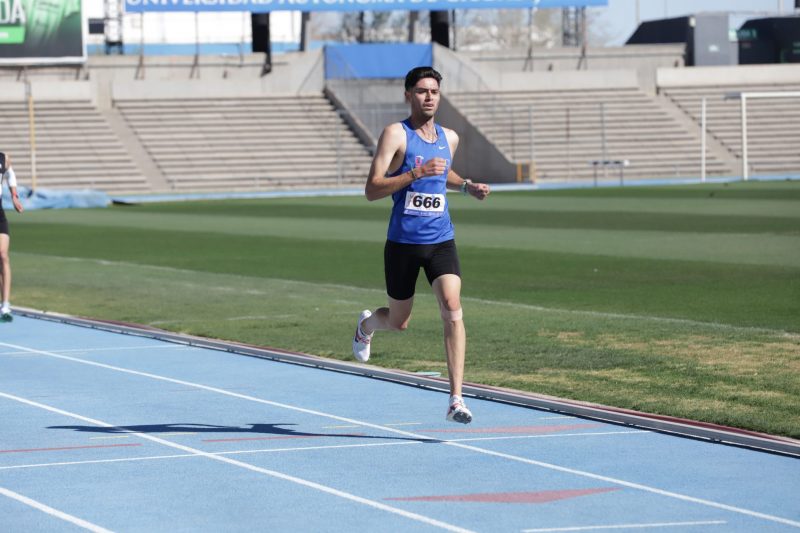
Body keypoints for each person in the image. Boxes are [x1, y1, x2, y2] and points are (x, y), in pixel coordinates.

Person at [352, 66, 490, 424]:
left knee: (452, 307)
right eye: (422, 91)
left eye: (434, 92)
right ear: (408, 95)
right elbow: (372, 189)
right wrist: (415, 173)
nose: (429, 97)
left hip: (441, 239)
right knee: (398, 322)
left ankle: (456, 399)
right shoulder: (395, 134)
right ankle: (367, 326)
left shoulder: (450, 137)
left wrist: (466, 187)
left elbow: (444, 172)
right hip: (403, 244)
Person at [0, 152, 25, 322]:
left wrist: (14, 196)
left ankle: (5, 305)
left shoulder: (3, 158)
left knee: (3, 255)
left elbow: (10, 173)